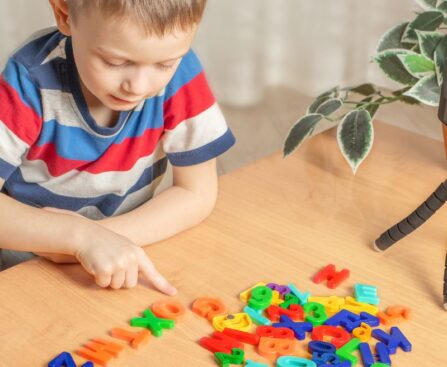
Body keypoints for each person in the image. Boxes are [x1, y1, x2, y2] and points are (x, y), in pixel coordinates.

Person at [0, 0, 235, 294]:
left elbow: (196, 193)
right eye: (115, 62)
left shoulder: (181, 72)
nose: (138, 86)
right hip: (26, 262)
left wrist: (100, 240)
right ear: (64, 14)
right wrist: (76, 239)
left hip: (123, 252)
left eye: (164, 64)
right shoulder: (29, 80)